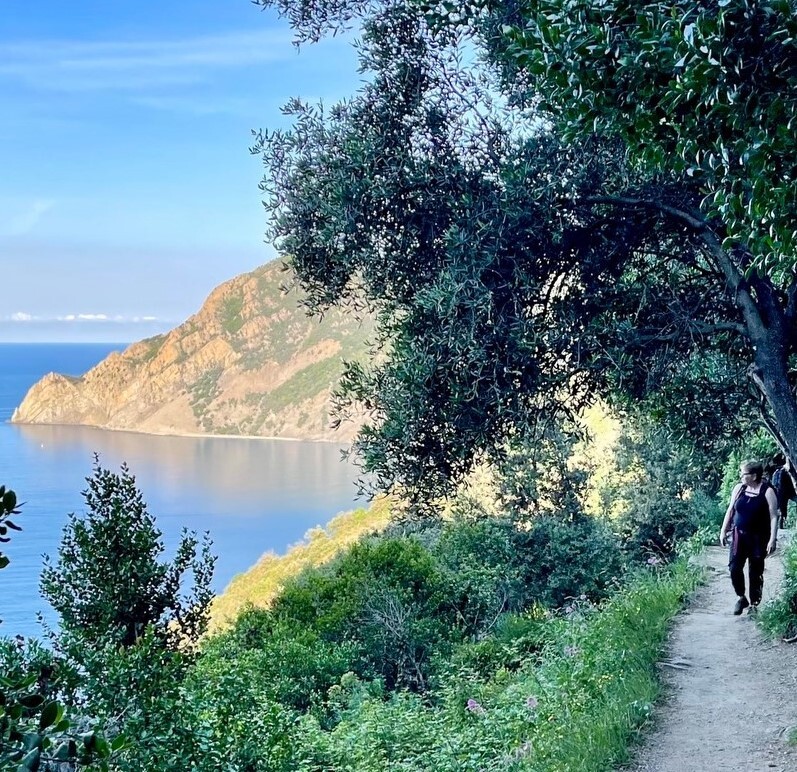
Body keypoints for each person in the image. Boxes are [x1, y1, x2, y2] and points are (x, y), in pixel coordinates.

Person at [719, 460, 778, 615]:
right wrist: (723, 530)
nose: (740, 476)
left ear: (753, 475)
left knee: (755, 572)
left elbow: (773, 516)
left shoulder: (767, 491)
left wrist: (773, 538)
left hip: (759, 538)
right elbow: (731, 510)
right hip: (739, 536)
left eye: (743, 473)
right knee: (734, 568)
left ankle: (754, 604)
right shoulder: (739, 489)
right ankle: (741, 597)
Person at [770, 454, 795, 529]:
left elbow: (774, 484)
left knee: (781, 508)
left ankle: (781, 523)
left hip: (781, 492)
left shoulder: (778, 472)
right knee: (782, 508)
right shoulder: (783, 471)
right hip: (784, 492)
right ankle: (781, 523)